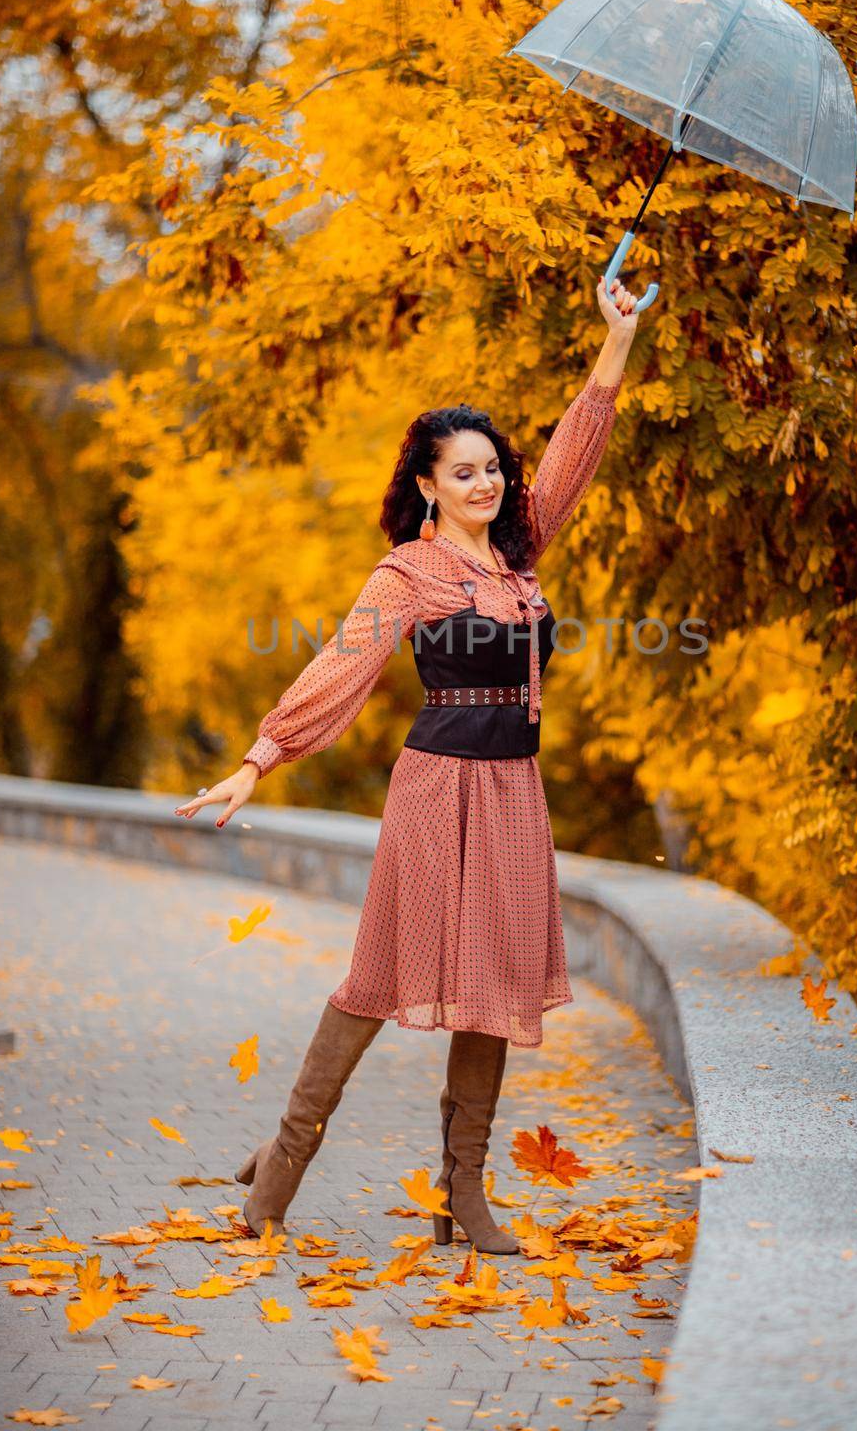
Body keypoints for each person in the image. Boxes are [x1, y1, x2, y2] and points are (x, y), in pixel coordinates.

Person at [174, 274, 643, 1253]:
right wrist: (261, 757)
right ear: (426, 483)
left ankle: (459, 1196)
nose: (487, 483)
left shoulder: (520, 556)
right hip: (436, 790)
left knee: (494, 987)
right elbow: (340, 666)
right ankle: (283, 1165)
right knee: (378, 977)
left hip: (514, 792)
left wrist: (614, 339)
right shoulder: (409, 572)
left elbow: (574, 454)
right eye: (462, 471)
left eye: (492, 468)